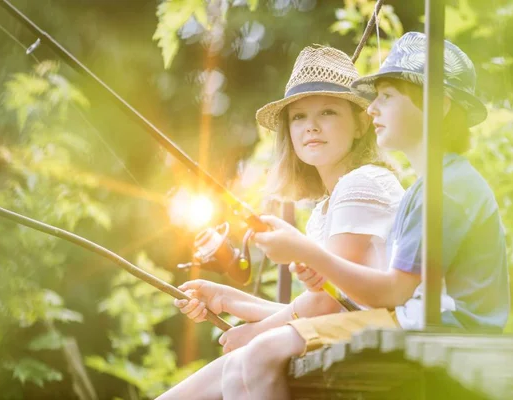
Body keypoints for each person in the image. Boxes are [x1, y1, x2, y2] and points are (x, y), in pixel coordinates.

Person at [212, 32, 510, 399]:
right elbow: (373, 295)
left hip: (443, 330)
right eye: (299, 117)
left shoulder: (447, 187)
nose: (371, 109)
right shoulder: (428, 186)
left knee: (260, 353)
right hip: (411, 320)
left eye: (386, 97)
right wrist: (312, 269)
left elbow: (393, 292)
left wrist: (306, 253)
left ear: (439, 106)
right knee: (250, 360)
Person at [157, 45, 404, 399]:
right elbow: (320, 304)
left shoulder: (361, 182)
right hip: (349, 323)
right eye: (298, 117)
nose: (311, 127)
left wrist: (255, 332)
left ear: (361, 122)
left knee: (245, 360)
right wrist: (226, 298)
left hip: (382, 327)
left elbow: (326, 305)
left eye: (328, 112)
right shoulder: (326, 207)